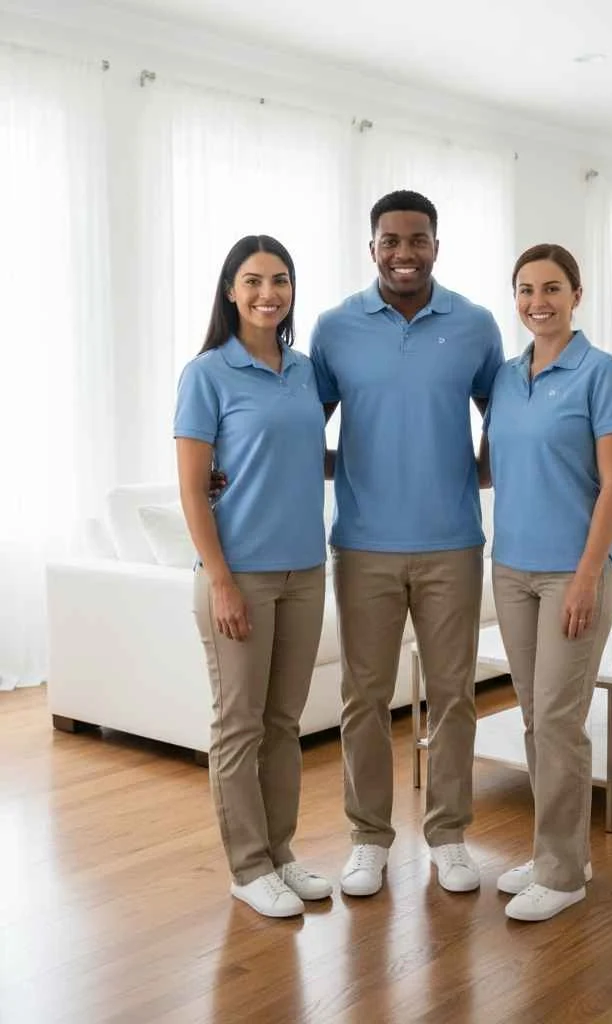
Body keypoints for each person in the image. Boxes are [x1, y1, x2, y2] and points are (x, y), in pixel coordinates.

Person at [310, 190, 505, 897]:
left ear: (436, 246)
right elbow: (306, 424)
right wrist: (343, 464)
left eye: (416, 239)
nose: (403, 252)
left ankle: (449, 836)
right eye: (390, 240)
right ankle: (368, 839)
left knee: (453, 694)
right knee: (364, 697)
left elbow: (506, 416)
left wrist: (478, 472)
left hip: (453, 543)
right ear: (372, 249)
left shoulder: (478, 325)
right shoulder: (334, 329)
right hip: (361, 546)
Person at [175, 235, 333, 918]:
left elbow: (299, 453)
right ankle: (248, 866)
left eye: (280, 280)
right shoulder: (206, 374)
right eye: (253, 281)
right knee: (238, 724)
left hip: (307, 568)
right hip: (239, 575)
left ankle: (281, 851)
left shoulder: (304, 372)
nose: (268, 293)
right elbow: (190, 489)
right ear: (231, 291)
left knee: (282, 722)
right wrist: (222, 582)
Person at [479, 243, 612, 922]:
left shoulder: (603, 373)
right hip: (510, 568)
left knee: (560, 721)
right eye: (524, 290)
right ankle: (557, 851)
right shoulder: (508, 378)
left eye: (550, 289)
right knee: (537, 720)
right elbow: (488, 469)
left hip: (574, 571)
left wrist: (586, 577)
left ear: (577, 294)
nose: (537, 302)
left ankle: (563, 874)